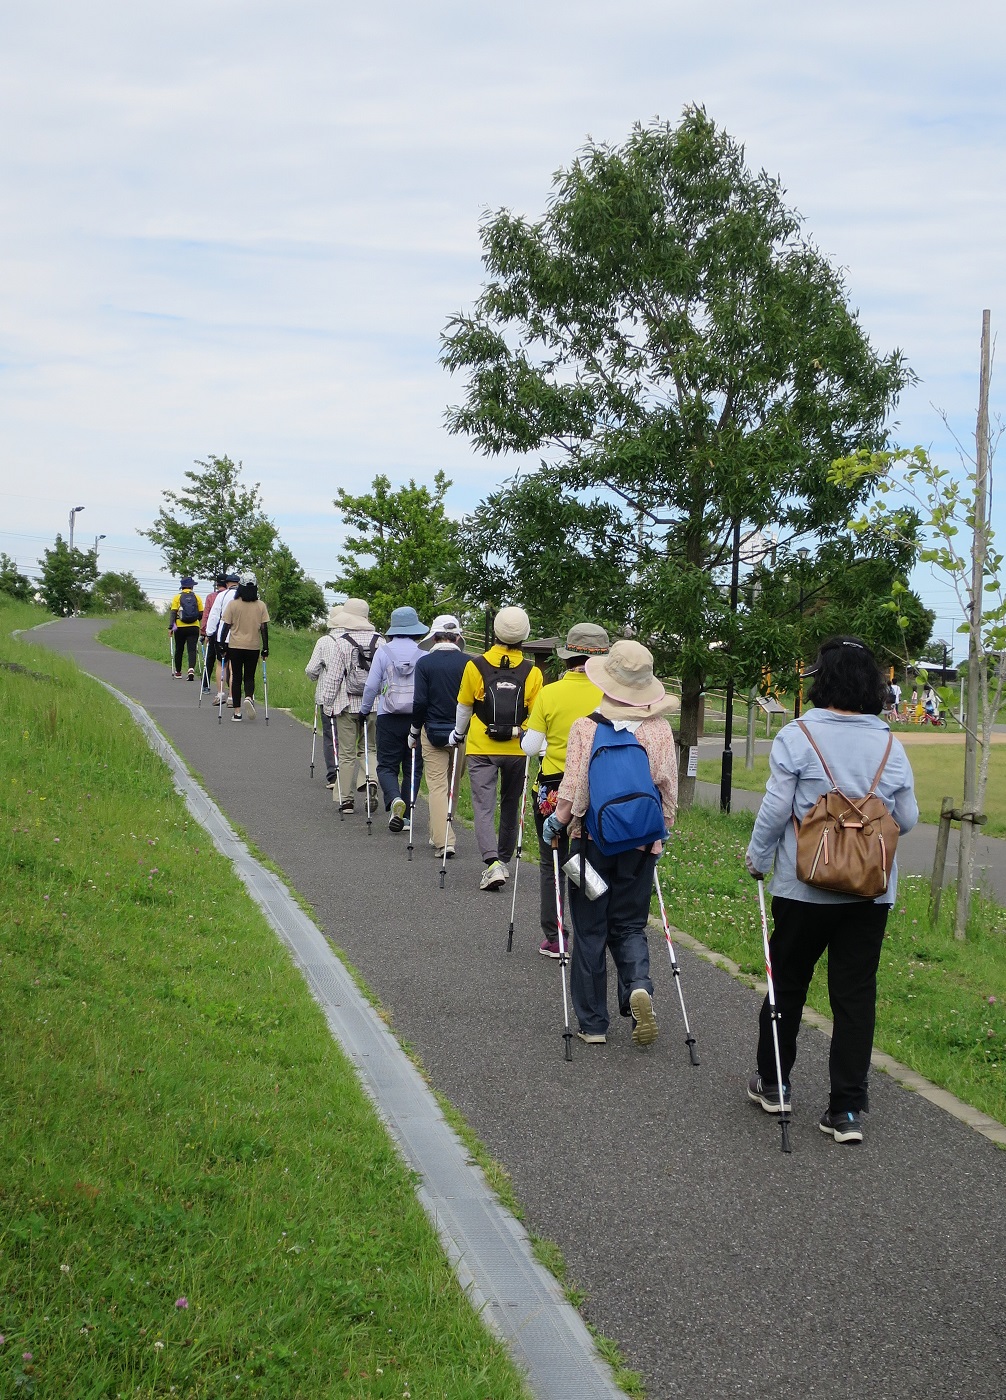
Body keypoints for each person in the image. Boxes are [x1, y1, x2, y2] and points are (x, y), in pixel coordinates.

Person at [744, 636, 919, 1145]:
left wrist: (757, 859)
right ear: (872, 685)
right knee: (855, 994)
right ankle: (845, 1109)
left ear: (822, 678)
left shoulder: (798, 736)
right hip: (870, 892)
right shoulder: (890, 743)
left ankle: (775, 1083)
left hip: (804, 887)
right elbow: (905, 819)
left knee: (789, 982)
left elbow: (777, 809)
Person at [542, 640, 678, 1046]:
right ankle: (637, 984)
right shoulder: (658, 729)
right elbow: (666, 789)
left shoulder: (587, 727)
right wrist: (660, 833)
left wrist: (558, 823)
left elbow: (576, 789)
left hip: (590, 845)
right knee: (630, 923)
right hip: (639, 845)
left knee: (589, 928)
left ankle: (593, 1024)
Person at [521, 623, 609, 958]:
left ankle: (557, 936)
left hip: (554, 788)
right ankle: (598, 931)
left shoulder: (550, 692)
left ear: (568, 655)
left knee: (552, 862)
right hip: (601, 786)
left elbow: (531, 747)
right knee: (591, 858)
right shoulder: (608, 694)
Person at [453, 606, 543, 891]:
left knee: (483, 805)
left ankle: (491, 863)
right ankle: (503, 860)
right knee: (510, 804)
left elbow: (465, 705)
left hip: (481, 744)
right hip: (518, 747)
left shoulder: (475, 665)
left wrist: (458, 733)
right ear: (524, 636)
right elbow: (537, 715)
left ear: (495, 632)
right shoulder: (533, 672)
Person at [360, 606, 427, 832]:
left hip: (388, 716)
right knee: (413, 767)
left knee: (387, 766)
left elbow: (371, 686)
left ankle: (394, 800)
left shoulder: (383, 652)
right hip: (416, 719)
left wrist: (364, 710)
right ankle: (405, 815)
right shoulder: (423, 654)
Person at [410, 615, 469, 857]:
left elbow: (420, 701)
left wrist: (414, 731)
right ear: (457, 637)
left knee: (437, 786)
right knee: (452, 784)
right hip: (463, 732)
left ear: (434, 637)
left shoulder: (425, 664)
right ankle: (444, 831)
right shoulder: (469, 663)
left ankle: (443, 839)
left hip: (432, 730)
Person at [317, 599, 382, 811]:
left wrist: (327, 703)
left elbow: (334, 678)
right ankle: (371, 778)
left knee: (346, 753)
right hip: (373, 704)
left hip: (346, 705)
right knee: (369, 748)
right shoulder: (381, 642)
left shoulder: (341, 642)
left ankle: (346, 800)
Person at [305, 605, 350, 790]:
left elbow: (311, 669)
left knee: (330, 737)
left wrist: (317, 675)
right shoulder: (353, 640)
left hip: (327, 696)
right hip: (352, 698)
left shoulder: (324, 641)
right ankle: (351, 776)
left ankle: (333, 776)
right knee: (349, 738)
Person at [220, 574, 269, 722]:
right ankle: (248, 697)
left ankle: (237, 712)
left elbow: (226, 626)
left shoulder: (233, 604)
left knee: (236, 678)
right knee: (249, 676)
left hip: (235, 645)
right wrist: (265, 648)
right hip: (253, 646)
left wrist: (222, 644)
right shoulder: (261, 605)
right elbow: (264, 628)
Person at [205, 573, 239, 706]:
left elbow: (214, 615)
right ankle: (231, 696)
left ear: (227, 584)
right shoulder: (241, 596)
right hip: (237, 635)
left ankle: (220, 694)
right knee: (233, 666)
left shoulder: (222, 595)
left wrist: (209, 633)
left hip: (222, 636)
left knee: (221, 664)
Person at [199, 573, 229, 693]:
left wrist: (204, 632)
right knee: (227, 660)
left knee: (210, 658)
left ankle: (205, 685)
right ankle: (231, 687)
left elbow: (206, 615)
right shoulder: (230, 596)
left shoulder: (211, 597)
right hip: (227, 632)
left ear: (217, 584)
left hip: (213, 631)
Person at [169, 577, 203, 680]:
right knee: (192, 649)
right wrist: (196, 621)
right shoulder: (197, 597)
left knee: (179, 649)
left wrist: (171, 627)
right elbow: (201, 613)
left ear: (182, 586)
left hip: (179, 627)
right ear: (192, 586)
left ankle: (178, 672)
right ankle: (191, 669)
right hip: (194, 626)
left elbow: (173, 613)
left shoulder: (177, 598)